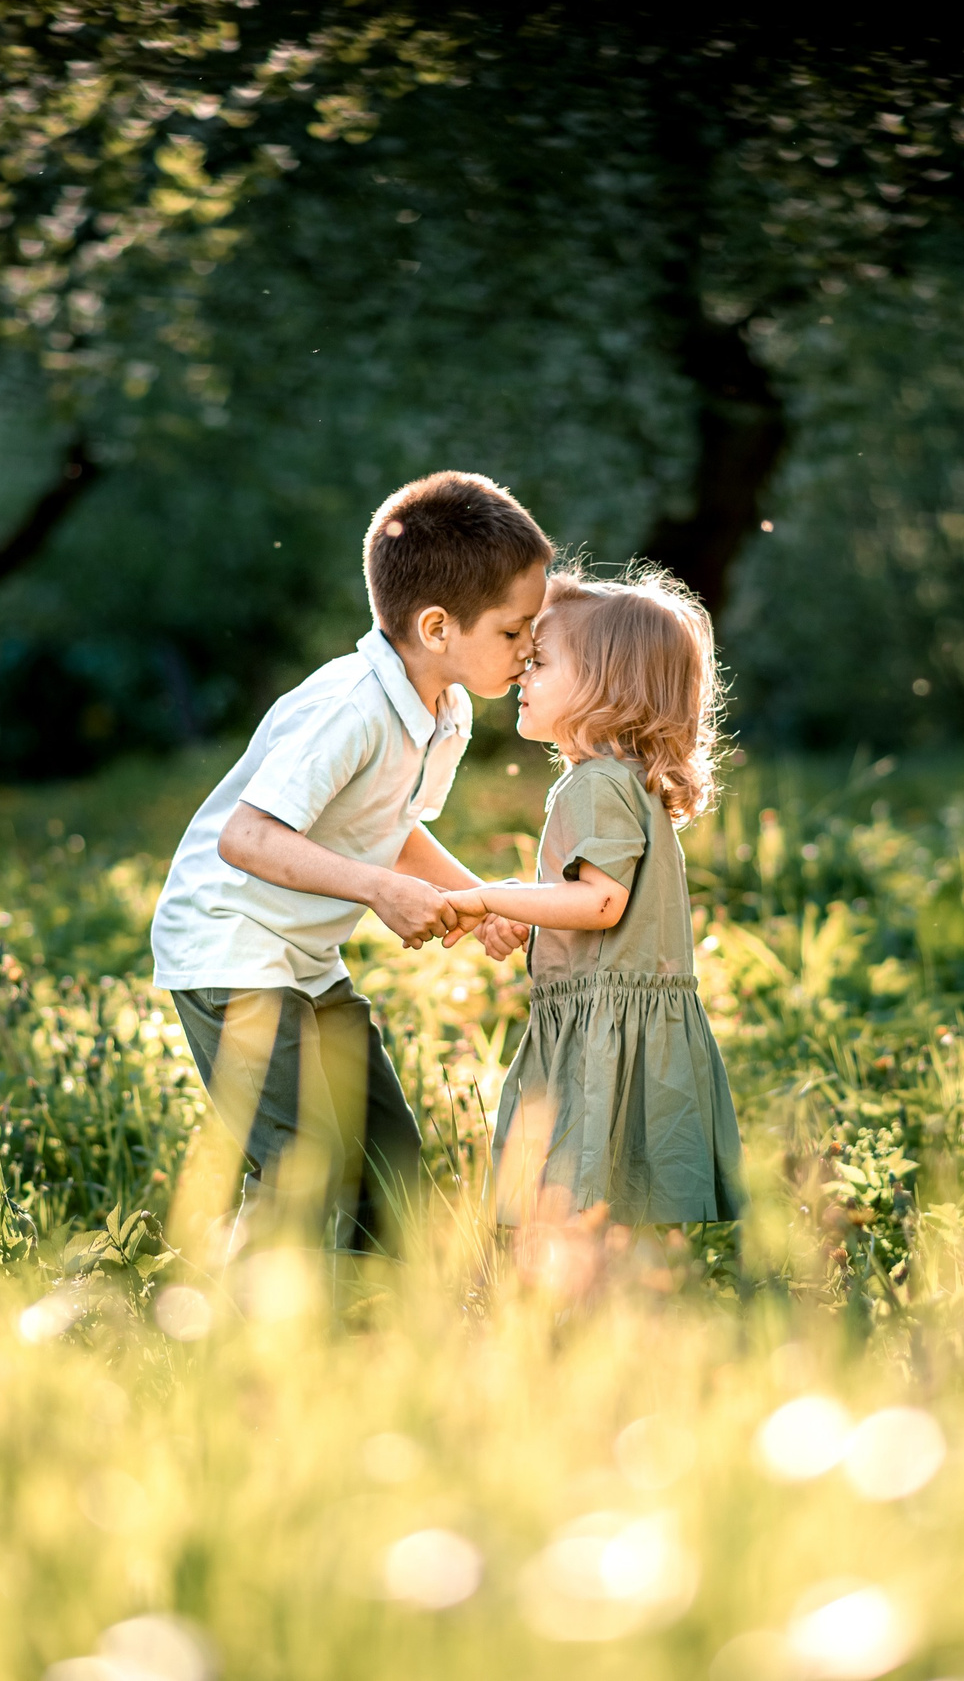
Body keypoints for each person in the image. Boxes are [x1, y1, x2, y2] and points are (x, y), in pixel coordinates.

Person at [152, 471, 551, 1255]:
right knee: (308, 1162)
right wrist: (378, 893)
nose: (530, 647)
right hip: (229, 945)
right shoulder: (349, 707)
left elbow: (391, 828)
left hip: (303, 957)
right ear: (438, 627)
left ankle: (367, 1328)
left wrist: (482, 902)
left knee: (387, 1162)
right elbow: (248, 838)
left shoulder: (446, 708)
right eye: (513, 630)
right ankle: (240, 1336)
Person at [447, 567, 744, 1227]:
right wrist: (532, 910)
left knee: (571, 1190)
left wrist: (493, 898)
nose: (522, 674)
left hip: (603, 1016)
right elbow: (592, 902)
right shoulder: (626, 781)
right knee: (623, 1194)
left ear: (608, 687)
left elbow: (598, 904)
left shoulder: (593, 784)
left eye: (541, 661)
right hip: (622, 1012)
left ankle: (567, 1306)